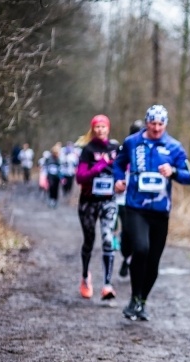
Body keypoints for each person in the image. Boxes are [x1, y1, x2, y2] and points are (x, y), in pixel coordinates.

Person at [113, 105, 190, 320]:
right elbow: (118, 163)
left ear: (165, 124)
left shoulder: (174, 146)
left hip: (160, 212)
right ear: (146, 122)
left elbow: (189, 176)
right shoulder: (132, 142)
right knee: (141, 249)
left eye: (160, 124)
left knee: (154, 261)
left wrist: (173, 171)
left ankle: (141, 302)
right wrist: (118, 180)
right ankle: (133, 297)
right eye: (153, 123)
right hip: (136, 207)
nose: (156, 128)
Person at [75, 115, 120, 300]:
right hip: (88, 202)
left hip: (108, 201)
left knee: (108, 239)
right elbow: (80, 177)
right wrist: (101, 164)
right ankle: (85, 276)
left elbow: (121, 169)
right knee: (89, 241)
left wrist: (120, 181)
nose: (100, 130)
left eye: (103, 126)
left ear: (108, 128)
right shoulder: (88, 150)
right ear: (93, 129)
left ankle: (107, 285)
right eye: (97, 127)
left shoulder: (115, 148)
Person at [116, 119, 145, 278]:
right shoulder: (125, 148)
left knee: (138, 233)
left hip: (141, 199)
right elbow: (116, 167)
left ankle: (131, 260)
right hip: (123, 199)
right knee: (126, 232)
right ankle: (126, 256)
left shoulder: (148, 149)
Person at [45, 143, 63, 208]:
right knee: (51, 188)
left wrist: (61, 177)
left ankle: (55, 200)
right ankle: (51, 199)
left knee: (56, 188)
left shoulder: (59, 159)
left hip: (57, 176)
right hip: (50, 176)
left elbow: (60, 169)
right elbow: (46, 167)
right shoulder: (49, 159)